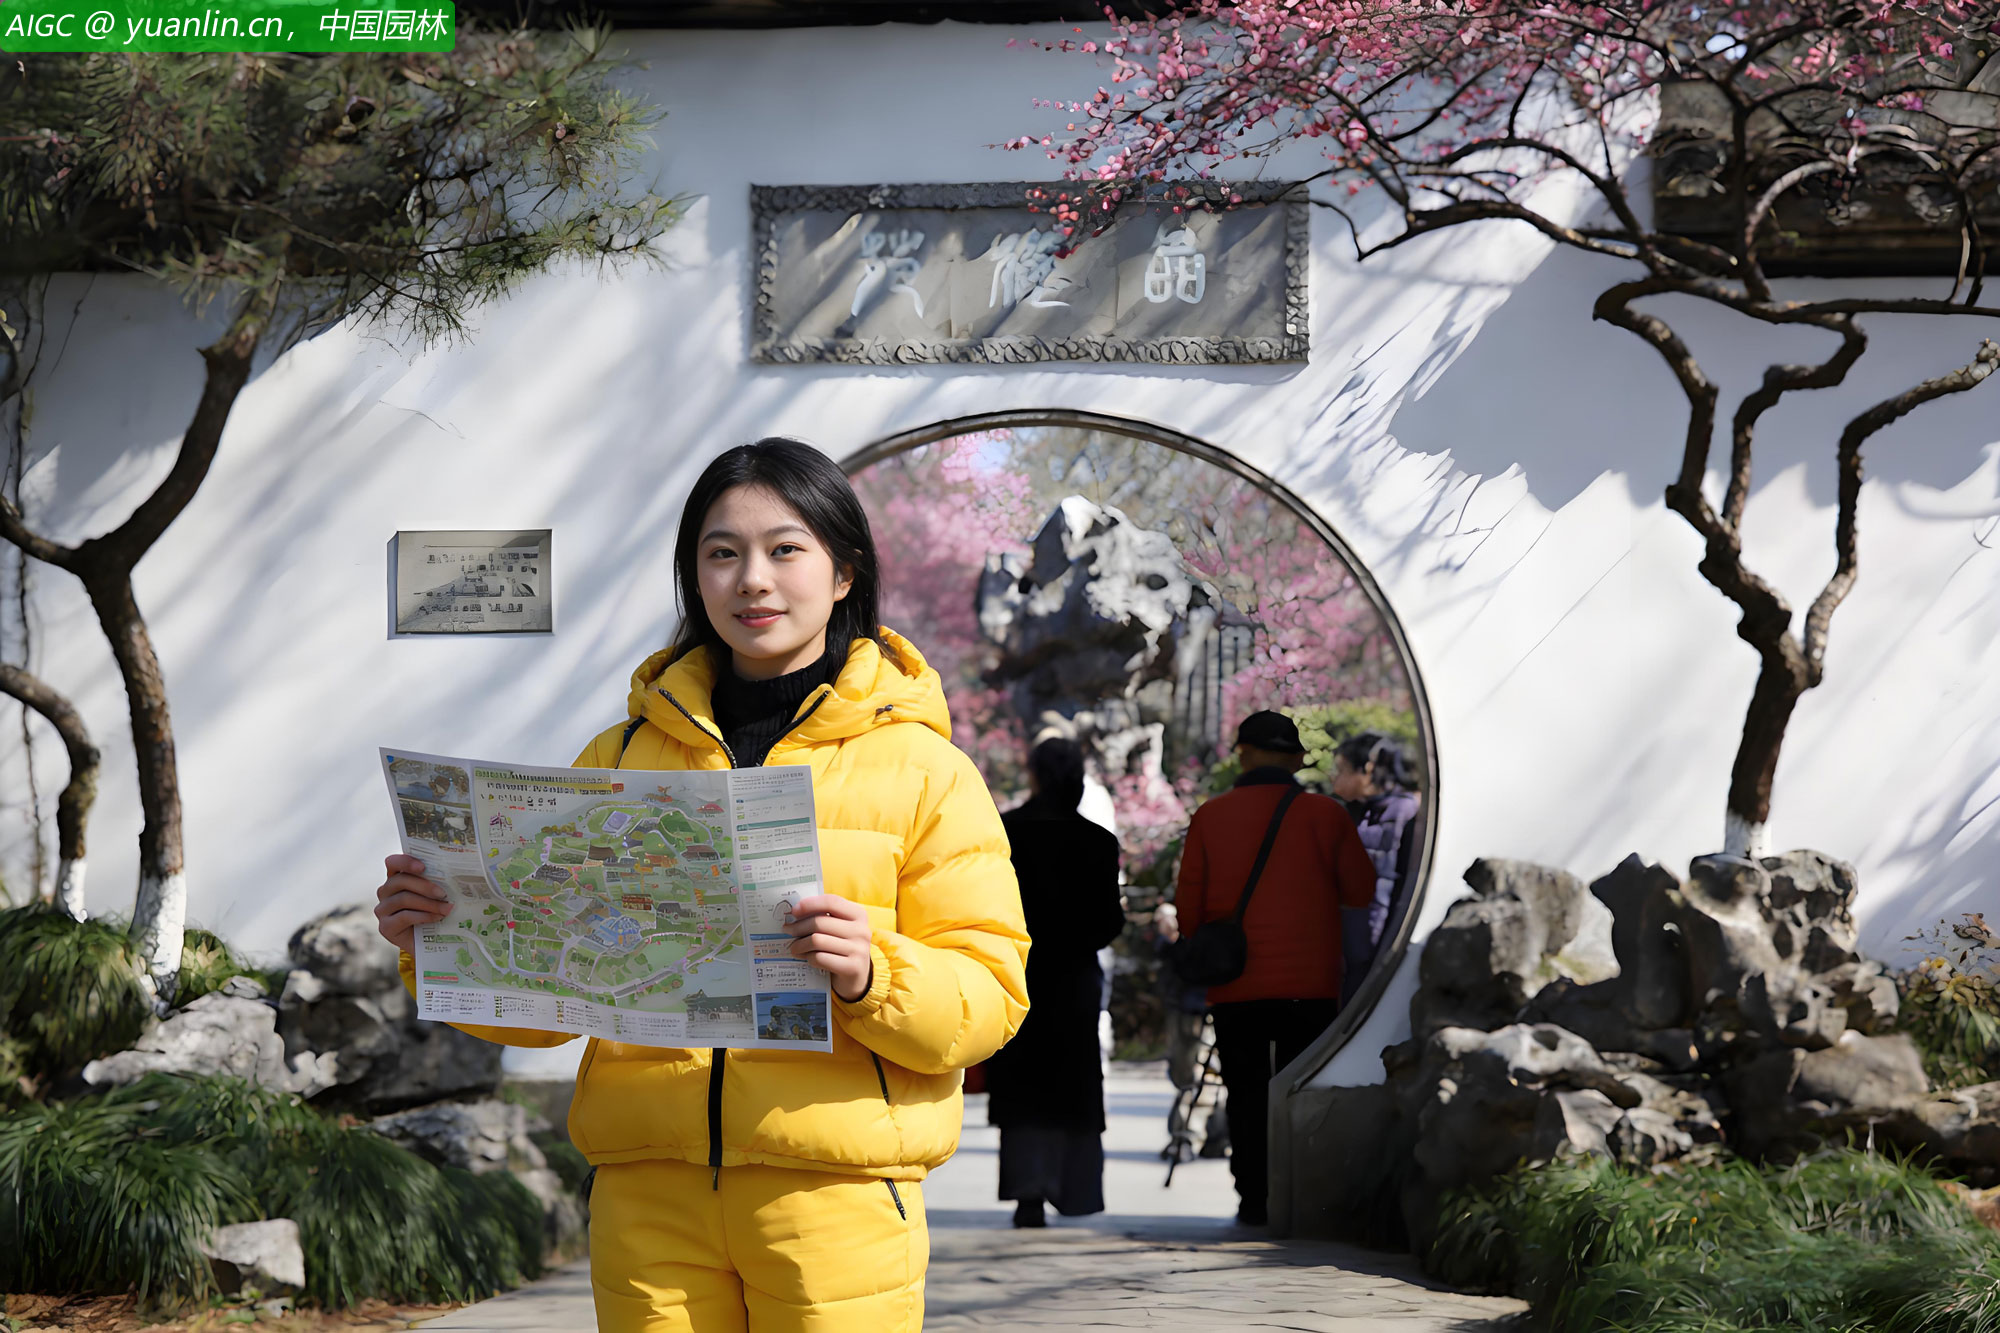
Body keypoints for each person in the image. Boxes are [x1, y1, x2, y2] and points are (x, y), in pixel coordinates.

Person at [372, 438, 1030, 1333]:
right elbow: (551, 998)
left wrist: (876, 972)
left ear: (844, 572)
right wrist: (441, 940)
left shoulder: (927, 772)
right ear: (695, 577)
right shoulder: (619, 759)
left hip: (834, 1195)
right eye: (721, 553)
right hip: (649, 1194)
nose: (752, 578)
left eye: (784, 548)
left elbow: (989, 995)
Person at [1172, 710, 1376, 1227]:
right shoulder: (1327, 816)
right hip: (1309, 984)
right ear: (1296, 760)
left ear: (1242, 755)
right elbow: (1361, 890)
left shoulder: (1210, 817)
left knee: (1243, 1092)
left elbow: (1189, 910)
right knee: (1302, 1089)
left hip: (1235, 983)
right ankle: (1301, 1194)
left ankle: (1253, 1198)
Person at [983, 737, 1126, 1228]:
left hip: (1017, 974)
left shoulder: (1006, 833)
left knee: (1023, 1084)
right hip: (1073, 978)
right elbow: (1110, 923)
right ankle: (1074, 1190)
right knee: (1072, 1083)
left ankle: (1028, 1191)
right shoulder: (1097, 842)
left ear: (1033, 774)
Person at [1331, 731, 1422, 1004]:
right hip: (1354, 935)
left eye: (1343, 770)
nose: (1336, 778)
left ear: (1369, 769)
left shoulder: (1402, 811)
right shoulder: (1364, 810)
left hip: (1374, 938)